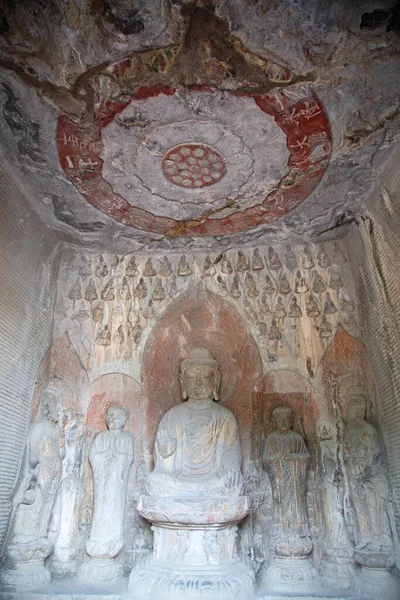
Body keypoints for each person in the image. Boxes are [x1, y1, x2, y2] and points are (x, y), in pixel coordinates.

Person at [145, 347, 243, 498]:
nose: (198, 383)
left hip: (213, 480)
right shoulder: (172, 416)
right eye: (191, 377)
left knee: (233, 484)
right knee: (153, 481)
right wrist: (165, 452)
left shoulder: (225, 416)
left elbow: (231, 450)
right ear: (182, 381)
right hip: (179, 479)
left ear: (216, 380)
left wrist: (231, 467)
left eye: (205, 377)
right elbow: (164, 469)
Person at [344, 393, 393, 555]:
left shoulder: (368, 430)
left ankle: (377, 538)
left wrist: (362, 468)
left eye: (351, 410)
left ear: (359, 412)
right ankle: (365, 535)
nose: (348, 413)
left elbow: (375, 455)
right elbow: (348, 451)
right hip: (355, 477)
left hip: (370, 478)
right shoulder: (350, 431)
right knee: (359, 506)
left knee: (372, 505)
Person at [85, 405, 134, 559]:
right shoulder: (101, 437)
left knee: (115, 504)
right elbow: (93, 455)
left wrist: (117, 457)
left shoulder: (126, 437)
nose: (112, 419)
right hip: (102, 479)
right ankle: (97, 536)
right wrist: (106, 456)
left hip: (116, 481)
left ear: (124, 420)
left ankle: (114, 536)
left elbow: (128, 457)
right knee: (100, 504)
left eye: (117, 416)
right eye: (110, 416)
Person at [263, 406, 312, 557]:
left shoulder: (297, 438)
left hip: (295, 483)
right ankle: (281, 535)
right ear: (275, 421)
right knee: (280, 508)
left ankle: (298, 535)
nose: (283, 422)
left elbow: (306, 457)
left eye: (287, 419)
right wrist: (277, 457)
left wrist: (294, 458)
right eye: (280, 419)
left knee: (297, 507)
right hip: (280, 481)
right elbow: (265, 460)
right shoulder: (271, 439)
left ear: (291, 421)